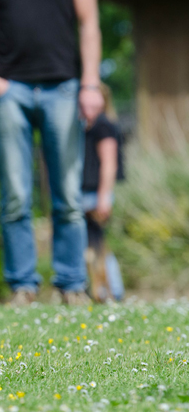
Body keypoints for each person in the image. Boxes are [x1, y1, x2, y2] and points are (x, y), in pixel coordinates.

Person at [0, 0, 104, 305]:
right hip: (9, 91)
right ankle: (23, 286)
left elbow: (90, 23)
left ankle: (71, 283)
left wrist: (91, 83)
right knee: (15, 194)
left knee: (67, 193)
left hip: (62, 88)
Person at [80, 84, 125, 301]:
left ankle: (111, 291)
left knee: (98, 247)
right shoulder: (88, 127)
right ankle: (100, 290)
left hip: (94, 195)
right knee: (91, 246)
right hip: (86, 193)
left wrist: (103, 196)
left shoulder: (103, 126)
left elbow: (109, 163)